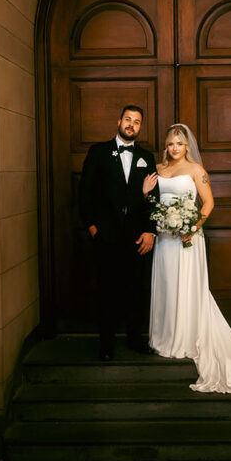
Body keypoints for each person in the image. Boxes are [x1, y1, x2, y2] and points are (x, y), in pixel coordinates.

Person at [141, 123, 231, 393]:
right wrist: (144, 193)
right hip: (165, 239)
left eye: (180, 143)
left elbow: (209, 204)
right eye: (171, 143)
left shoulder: (197, 171)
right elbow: (152, 205)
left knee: (185, 287)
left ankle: (185, 338)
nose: (175, 148)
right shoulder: (159, 171)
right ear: (167, 146)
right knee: (166, 286)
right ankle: (165, 338)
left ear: (188, 147)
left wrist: (190, 228)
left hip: (187, 239)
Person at [79, 105, 157, 361]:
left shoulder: (147, 157)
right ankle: (106, 344)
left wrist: (150, 231)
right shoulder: (99, 152)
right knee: (106, 291)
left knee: (136, 289)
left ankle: (135, 339)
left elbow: (153, 198)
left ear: (140, 127)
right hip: (107, 236)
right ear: (119, 121)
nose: (131, 124)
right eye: (128, 119)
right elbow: (85, 193)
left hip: (136, 237)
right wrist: (93, 228)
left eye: (136, 121)